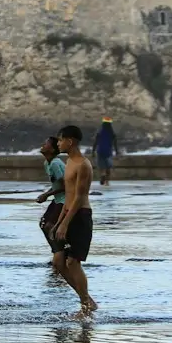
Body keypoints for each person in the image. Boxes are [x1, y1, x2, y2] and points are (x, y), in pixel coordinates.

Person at [53, 125, 99, 317]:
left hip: (80, 216)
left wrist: (65, 223)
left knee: (73, 262)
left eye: (60, 140)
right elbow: (68, 195)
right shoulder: (69, 162)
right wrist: (58, 222)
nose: (58, 143)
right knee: (58, 262)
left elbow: (80, 197)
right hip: (68, 214)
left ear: (70, 141)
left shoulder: (83, 164)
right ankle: (87, 300)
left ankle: (85, 306)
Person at [33, 135, 67, 251]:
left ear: (52, 150)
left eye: (46, 143)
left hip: (64, 200)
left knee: (49, 226)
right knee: (43, 224)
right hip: (58, 199)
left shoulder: (55, 164)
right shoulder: (47, 164)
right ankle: (57, 251)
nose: (43, 144)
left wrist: (46, 195)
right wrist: (45, 194)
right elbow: (56, 185)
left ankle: (60, 252)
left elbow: (65, 186)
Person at [92, 118, 117, 186]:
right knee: (108, 167)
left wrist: (93, 151)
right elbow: (115, 143)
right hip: (108, 152)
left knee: (101, 166)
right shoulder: (112, 133)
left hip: (100, 151)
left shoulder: (99, 132)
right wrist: (117, 151)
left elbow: (95, 142)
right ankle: (107, 182)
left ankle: (103, 174)